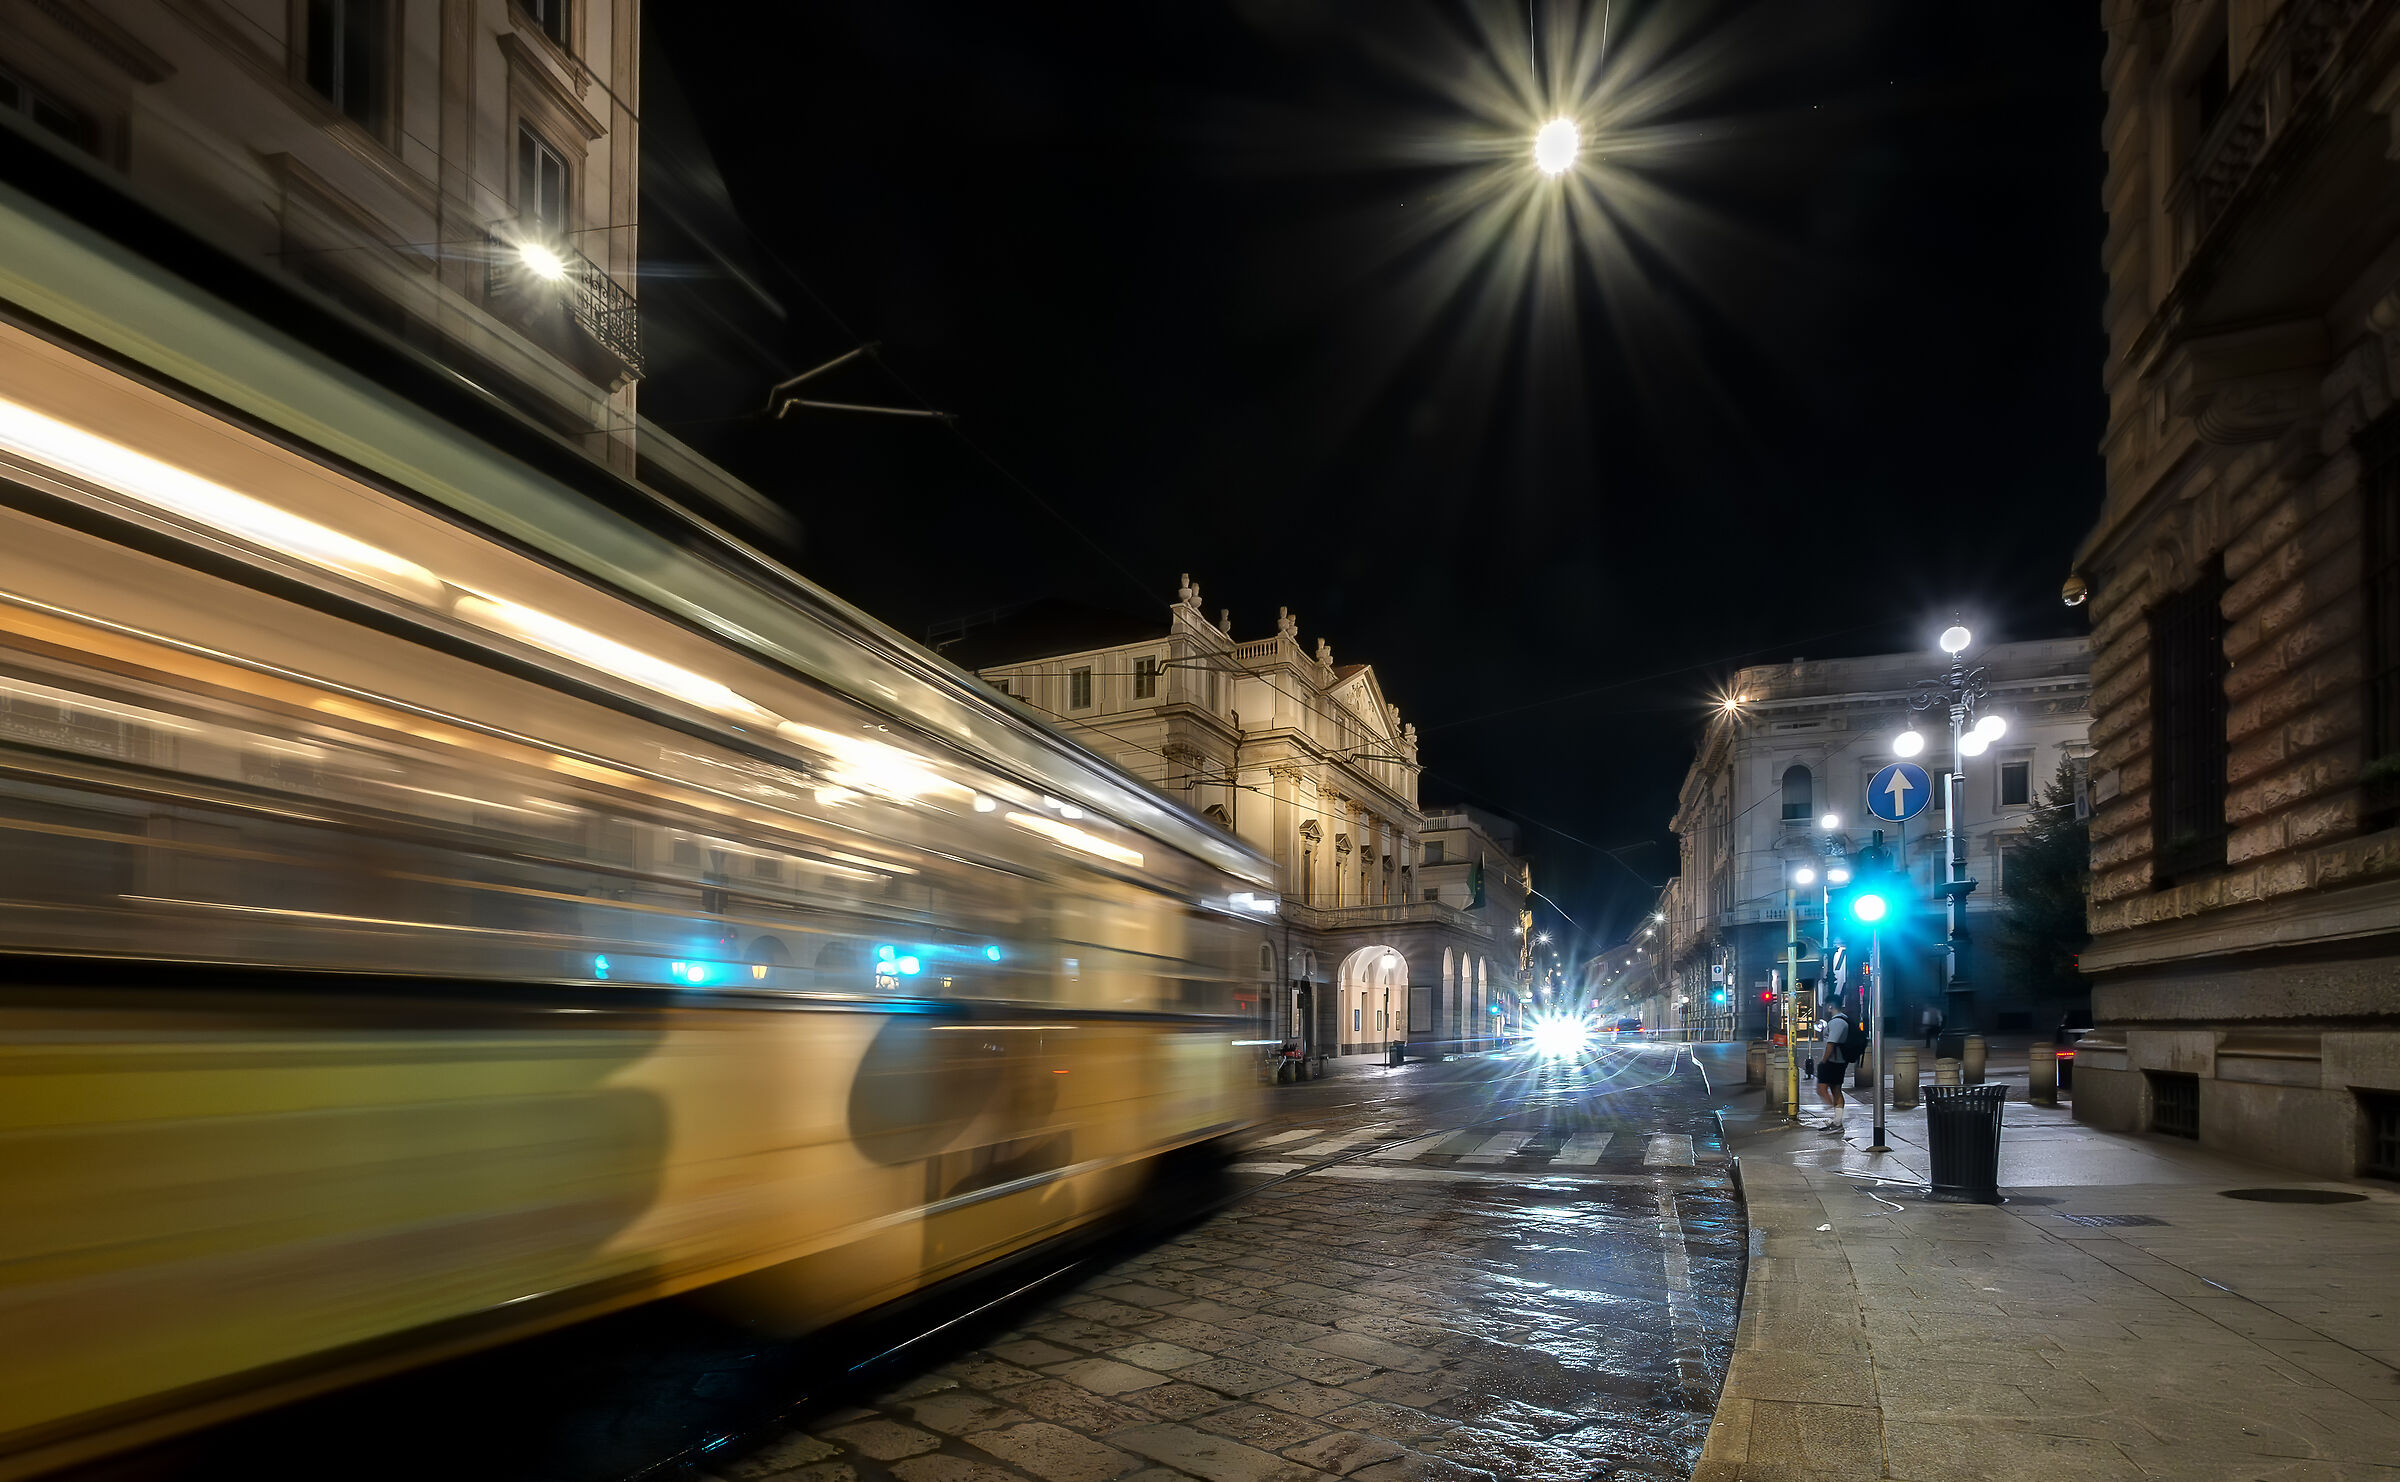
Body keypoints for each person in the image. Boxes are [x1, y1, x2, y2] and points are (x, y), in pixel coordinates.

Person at [1816, 1004, 1853, 1131]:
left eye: (1827, 1005)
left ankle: (1837, 1119)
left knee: (1824, 1089)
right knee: (1834, 1089)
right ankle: (1837, 1119)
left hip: (1834, 1061)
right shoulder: (1840, 1021)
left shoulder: (1837, 1022)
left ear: (1831, 1006)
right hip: (1837, 1061)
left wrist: (1823, 1061)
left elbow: (1831, 1043)